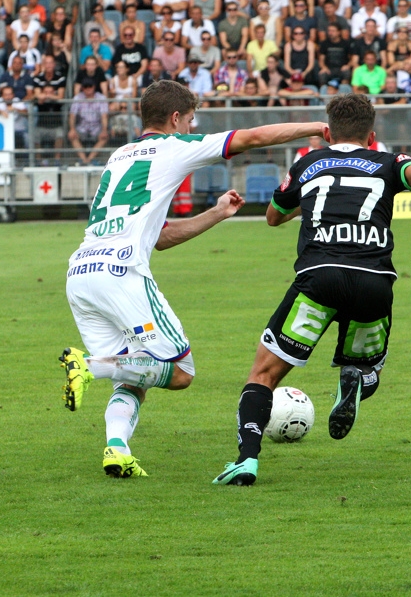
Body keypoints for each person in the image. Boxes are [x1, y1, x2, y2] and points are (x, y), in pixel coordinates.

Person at [60, 80, 328, 478]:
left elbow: (161, 238)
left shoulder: (118, 155)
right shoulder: (175, 146)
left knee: (134, 369)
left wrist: (216, 214)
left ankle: (116, 448)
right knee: (181, 372)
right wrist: (313, 127)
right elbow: (250, 138)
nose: (191, 127)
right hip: (121, 273)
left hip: (80, 272)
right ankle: (89, 365)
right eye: (189, 120)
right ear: (174, 118)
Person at [212, 93, 411, 486]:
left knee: (262, 375)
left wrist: (315, 197)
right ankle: (355, 378)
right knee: (366, 368)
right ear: (372, 136)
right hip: (375, 282)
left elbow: (272, 217)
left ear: (328, 132)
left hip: (320, 277)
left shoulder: (308, 162)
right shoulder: (388, 162)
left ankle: (246, 460)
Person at [69, 81, 110, 165]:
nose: (88, 89)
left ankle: (89, 159)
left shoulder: (101, 97)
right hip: (82, 127)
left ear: (94, 87)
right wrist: (72, 129)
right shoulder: (78, 98)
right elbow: (72, 115)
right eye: (85, 87)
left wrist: (104, 130)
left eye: (90, 86)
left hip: (97, 127)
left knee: (104, 137)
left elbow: (104, 116)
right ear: (82, 88)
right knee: (72, 136)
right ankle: (84, 159)